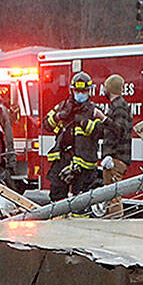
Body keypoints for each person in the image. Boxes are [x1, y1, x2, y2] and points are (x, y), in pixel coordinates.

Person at [42, 71, 105, 202]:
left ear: (89, 91)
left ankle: (79, 222)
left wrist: (83, 122)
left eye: (83, 91)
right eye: (77, 90)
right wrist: (59, 116)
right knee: (57, 198)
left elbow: (102, 132)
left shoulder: (94, 111)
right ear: (72, 90)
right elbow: (46, 124)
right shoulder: (63, 106)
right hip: (62, 159)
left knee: (82, 201)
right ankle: (59, 222)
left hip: (84, 163)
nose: (80, 94)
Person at [98, 74, 133, 217]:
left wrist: (103, 118)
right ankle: (111, 220)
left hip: (116, 159)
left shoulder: (119, 107)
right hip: (115, 158)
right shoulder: (118, 106)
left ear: (109, 89)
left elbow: (118, 130)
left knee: (113, 195)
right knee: (111, 194)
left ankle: (115, 224)